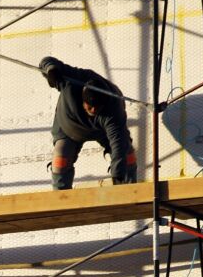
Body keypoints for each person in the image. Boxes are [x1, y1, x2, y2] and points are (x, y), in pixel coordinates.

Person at [40, 56, 138, 190]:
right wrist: (51, 71)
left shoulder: (113, 106)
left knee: (127, 157)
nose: (93, 110)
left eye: (97, 108)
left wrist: (118, 173)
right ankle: (61, 198)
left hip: (102, 131)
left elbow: (118, 143)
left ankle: (128, 191)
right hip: (68, 128)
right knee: (60, 161)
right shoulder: (71, 81)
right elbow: (47, 61)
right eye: (90, 107)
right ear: (83, 100)